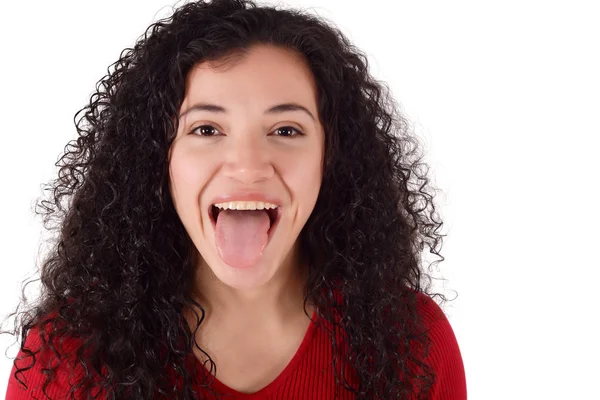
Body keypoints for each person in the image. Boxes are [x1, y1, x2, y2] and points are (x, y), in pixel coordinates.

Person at [3, 0, 466, 398]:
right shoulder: (66, 357)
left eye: (286, 130)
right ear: (157, 159)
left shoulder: (411, 341)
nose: (247, 166)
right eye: (206, 129)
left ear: (332, 157)